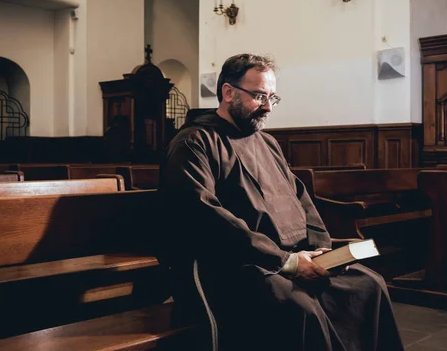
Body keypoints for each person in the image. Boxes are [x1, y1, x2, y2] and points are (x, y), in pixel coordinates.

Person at [159, 54, 404, 351]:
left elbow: (300, 198)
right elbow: (202, 215)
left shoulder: (268, 143)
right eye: (259, 96)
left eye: (272, 97)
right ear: (227, 92)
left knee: (369, 284)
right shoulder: (194, 142)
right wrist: (285, 262)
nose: (267, 107)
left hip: (292, 257)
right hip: (235, 264)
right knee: (298, 306)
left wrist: (319, 249)